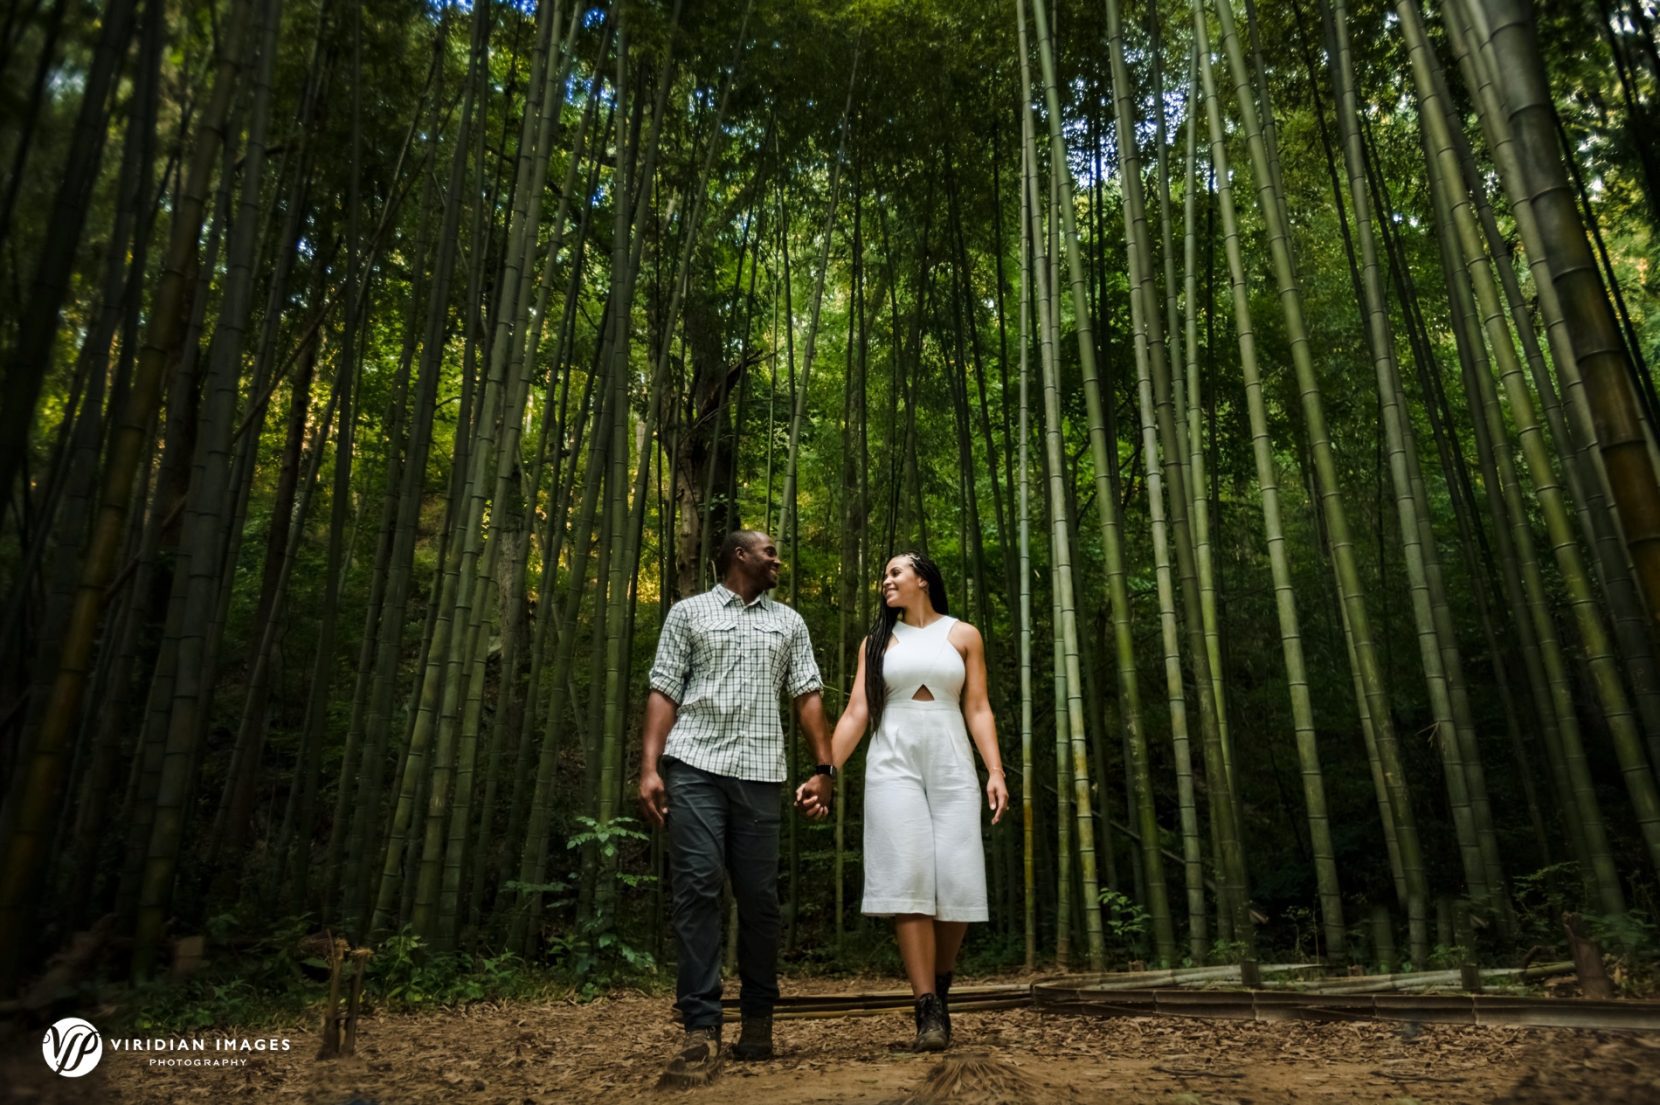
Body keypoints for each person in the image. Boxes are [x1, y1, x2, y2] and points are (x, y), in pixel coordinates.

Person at [639, 529, 834, 1086]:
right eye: (768, 551)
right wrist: (650, 767)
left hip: (760, 773)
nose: (777, 559)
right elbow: (664, 689)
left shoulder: (789, 622)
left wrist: (824, 771)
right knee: (697, 884)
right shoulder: (688, 613)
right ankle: (700, 1025)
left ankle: (757, 1017)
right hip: (693, 764)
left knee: (759, 899)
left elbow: (807, 694)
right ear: (739, 556)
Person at [797, 552, 1007, 1051]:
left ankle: (941, 981)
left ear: (923, 580)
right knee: (909, 876)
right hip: (894, 761)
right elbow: (855, 713)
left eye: (895, 572)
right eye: (884, 575)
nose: (885, 581)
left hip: (952, 758)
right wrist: (826, 771)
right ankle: (927, 1010)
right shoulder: (875, 643)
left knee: (956, 876)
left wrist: (994, 770)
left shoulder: (964, 635)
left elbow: (977, 707)